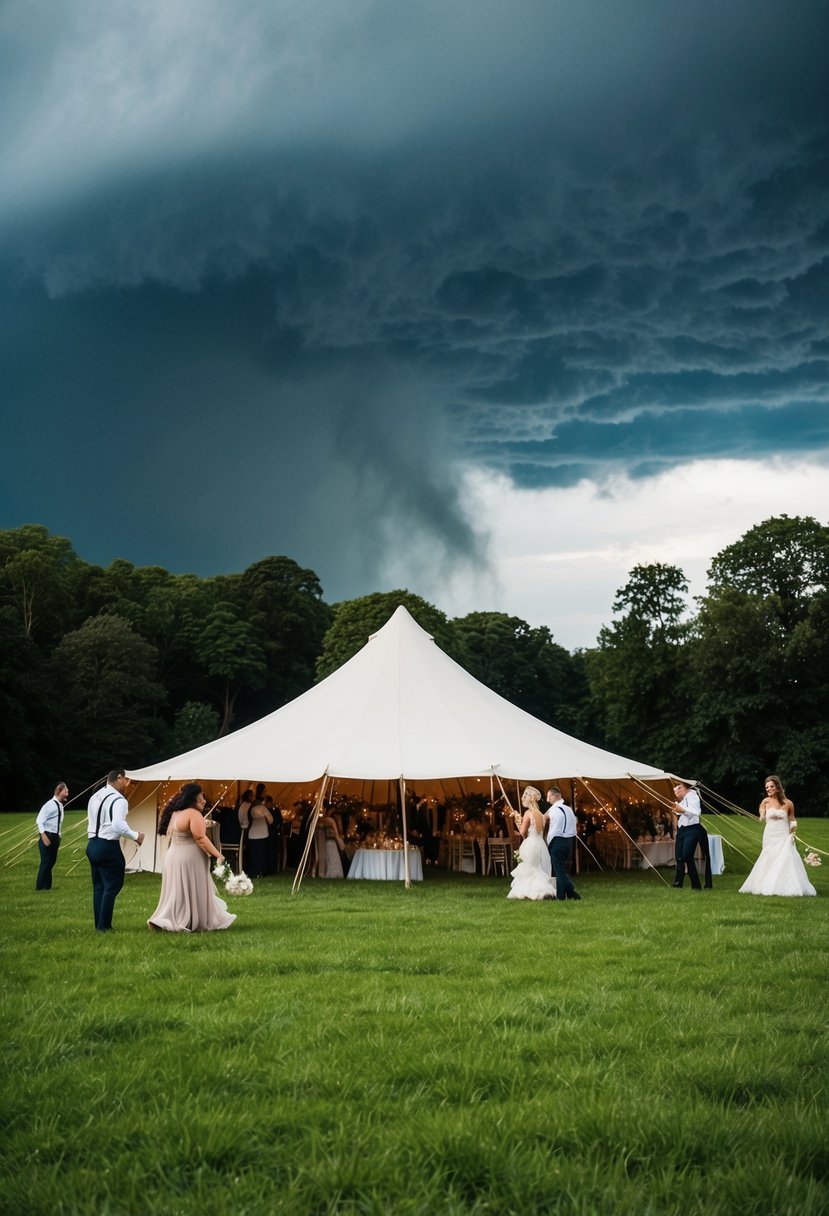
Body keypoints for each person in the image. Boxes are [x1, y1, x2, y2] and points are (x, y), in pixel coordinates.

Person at [148, 783, 236, 932]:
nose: (204, 800)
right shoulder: (194, 814)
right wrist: (218, 854)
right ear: (193, 797)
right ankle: (191, 921)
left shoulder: (176, 813)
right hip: (189, 858)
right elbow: (200, 838)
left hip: (173, 856)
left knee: (178, 891)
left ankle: (172, 917)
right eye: (202, 796)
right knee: (192, 888)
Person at [86, 769, 145, 932]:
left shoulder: (95, 796)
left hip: (92, 844)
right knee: (113, 885)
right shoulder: (119, 800)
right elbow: (117, 825)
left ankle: (99, 924)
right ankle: (104, 926)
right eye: (126, 780)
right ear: (118, 778)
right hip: (108, 846)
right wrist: (136, 836)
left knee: (99, 886)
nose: (128, 785)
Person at [739, 775, 817, 897]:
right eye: (766, 787)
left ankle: (784, 885)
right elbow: (761, 816)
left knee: (785, 857)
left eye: (771, 786)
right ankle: (765, 883)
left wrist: (793, 830)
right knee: (769, 856)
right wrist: (761, 812)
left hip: (783, 834)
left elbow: (792, 819)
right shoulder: (766, 801)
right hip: (770, 833)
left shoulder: (788, 803)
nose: (768, 789)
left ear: (778, 787)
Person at [507, 786, 556, 900]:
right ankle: (542, 890)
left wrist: (518, 822)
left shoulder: (528, 814)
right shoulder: (541, 814)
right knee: (536, 868)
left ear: (531, 799)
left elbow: (523, 833)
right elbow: (539, 831)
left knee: (528, 868)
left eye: (525, 796)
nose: (523, 798)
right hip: (540, 844)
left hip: (529, 844)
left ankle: (530, 891)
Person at [545, 785, 581, 900]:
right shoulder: (569, 810)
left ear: (554, 795)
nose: (547, 800)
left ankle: (571, 892)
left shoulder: (553, 810)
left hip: (557, 841)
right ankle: (560, 896)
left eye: (548, 796)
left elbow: (543, 819)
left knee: (559, 871)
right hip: (568, 842)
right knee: (560, 868)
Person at [670, 779, 704, 890]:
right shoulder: (684, 799)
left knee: (687, 856)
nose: (677, 789)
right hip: (683, 830)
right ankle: (678, 883)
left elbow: (695, 812)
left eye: (680, 787)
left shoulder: (693, 796)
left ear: (686, 787)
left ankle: (696, 885)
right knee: (679, 858)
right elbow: (679, 812)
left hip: (692, 829)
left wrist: (682, 810)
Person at [35, 782, 69, 890]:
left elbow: (57, 822)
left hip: (54, 837)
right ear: (60, 791)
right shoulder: (49, 805)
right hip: (47, 835)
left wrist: (59, 835)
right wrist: (43, 835)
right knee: (46, 861)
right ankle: (39, 886)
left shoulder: (60, 806)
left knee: (51, 861)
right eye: (66, 791)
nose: (67, 793)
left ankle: (47, 886)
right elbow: (39, 820)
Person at [246, 792, 274, 878]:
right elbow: (271, 820)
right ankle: (261, 871)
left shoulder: (250, 809)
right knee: (262, 854)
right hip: (263, 833)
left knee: (254, 854)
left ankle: (253, 872)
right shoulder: (263, 808)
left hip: (252, 834)